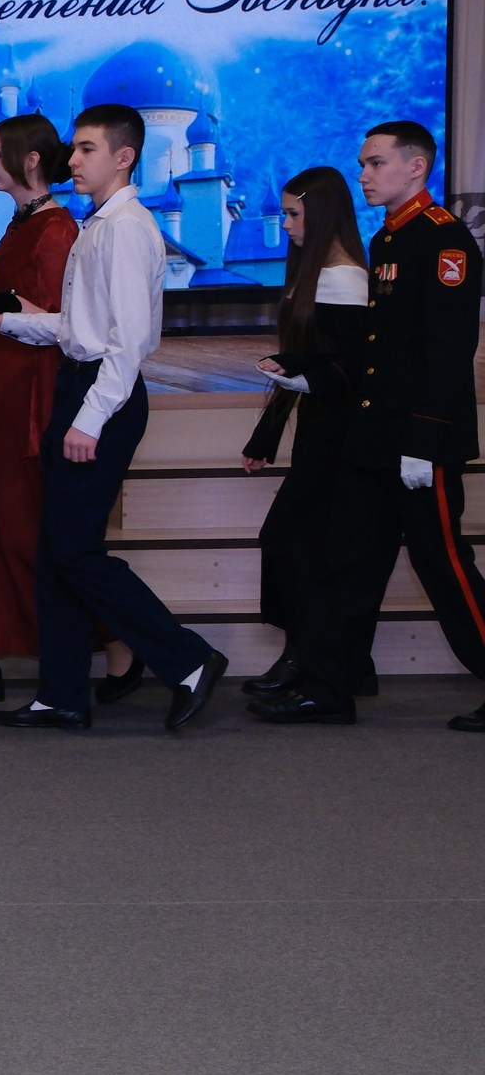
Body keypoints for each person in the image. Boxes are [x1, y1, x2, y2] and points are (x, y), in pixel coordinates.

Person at [0, 105, 229, 731]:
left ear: (124, 157)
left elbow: (127, 342)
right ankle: (62, 695)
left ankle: (189, 659)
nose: (72, 160)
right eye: (74, 148)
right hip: (81, 387)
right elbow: (80, 327)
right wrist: (10, 320)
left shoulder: (124, 229)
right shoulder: (99, 224)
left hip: (102, 397)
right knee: (56, 552)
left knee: (74, 552)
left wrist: (89, 420)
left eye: (87, 149)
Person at [252, 122, 485, 730]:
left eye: (376, 163)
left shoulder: (444, 239)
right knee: (348, 563)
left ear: (416, 167)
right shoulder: (386, 239)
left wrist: (424, 440)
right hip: (372, 436)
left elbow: (448, 352)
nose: (363, 175)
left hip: (420, 442)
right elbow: (374, 350)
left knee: (444, 567)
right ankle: (329, 688)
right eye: (362, 164)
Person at [0, 114, 131, 705]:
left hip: (31, 388)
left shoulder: (56, 229)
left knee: (23, 526)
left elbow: (67, 322)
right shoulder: (27, 221)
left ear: (29, 160)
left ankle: (119, 642)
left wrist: (5, 308)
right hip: (2, 381)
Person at [234, 167, 370, 698]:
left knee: (294, 545)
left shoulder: (347, 280)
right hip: (320, 431)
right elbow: (302, 362)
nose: (286, 224)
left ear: (324, 213)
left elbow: (349, 368)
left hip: (344, 438)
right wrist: (264, 438)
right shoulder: (315, 275)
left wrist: (300, 378)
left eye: (293, 214)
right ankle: (320, 661)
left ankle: (307, 660)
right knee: (303, 547)